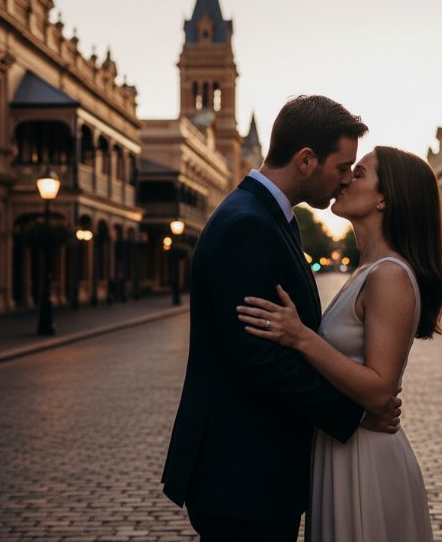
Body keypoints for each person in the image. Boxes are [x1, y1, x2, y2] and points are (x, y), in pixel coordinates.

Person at [161, 95, 402, 542]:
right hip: (242, 477)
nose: (346, 178)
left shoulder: (269, 217)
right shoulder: (247, 225)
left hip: (255, 475)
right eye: (342, 166)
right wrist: (354, 416)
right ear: (306, 160)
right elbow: (262, 362)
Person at [238, 145, 442, 542]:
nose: (346, 178)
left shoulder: (389, 275)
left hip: (366, 457)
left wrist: (300, 336)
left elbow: (380, 388)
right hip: (343, 446)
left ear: (384, 198)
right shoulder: (367, 270)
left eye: (360, 172)